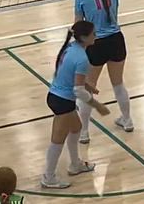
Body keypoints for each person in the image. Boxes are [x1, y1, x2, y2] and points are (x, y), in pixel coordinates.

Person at [41, 21, 105, 189]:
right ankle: (48, 176)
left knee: (76, 127)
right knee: (57, 140)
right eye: (93, 34)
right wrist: (96, 104)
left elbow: (71, 76)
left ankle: (75, 164)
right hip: (62, 101)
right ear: (84, 37)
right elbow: (78, 90)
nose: (96, 36)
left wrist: (89, 86)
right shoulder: (82, 58)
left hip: (56, 96)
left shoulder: (70, 47)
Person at [74, 0, 132, 143]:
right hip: (116, 40)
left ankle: (84, 132)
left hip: (95, 43)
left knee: (87, 88)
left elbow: (78, 26)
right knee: (118, 84)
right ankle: (127, 120)